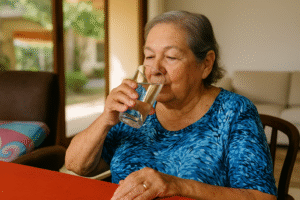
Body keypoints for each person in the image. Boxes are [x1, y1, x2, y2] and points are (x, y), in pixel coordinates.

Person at [65, 11, 277, 200]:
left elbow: (260, 196)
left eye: (171, 57)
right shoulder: (136, 103)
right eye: (149, 56)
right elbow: (76, 165)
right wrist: (105, 120)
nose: (155, 69)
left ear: (206, 64)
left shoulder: (235, 111)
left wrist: (176, 185)